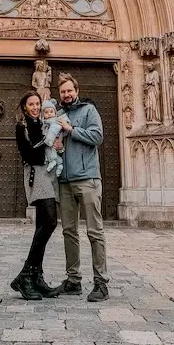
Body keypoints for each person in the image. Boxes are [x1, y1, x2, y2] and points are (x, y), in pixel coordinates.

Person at [51, 73, 109, 302]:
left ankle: (101, 283)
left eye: (69, 91)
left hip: (87, 178)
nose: (66, 95)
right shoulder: (57, 114)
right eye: (63, 91)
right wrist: (55, 143)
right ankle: (73, 280)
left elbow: (97, 136)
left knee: (94, 231)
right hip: (65, 181)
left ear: (76, 90)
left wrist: (71, 129)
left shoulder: (89, 111)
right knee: (68, 232)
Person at [11, 90, 60, 301]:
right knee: (49, 223)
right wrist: (46, 146)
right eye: (31, 104)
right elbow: (31, 155)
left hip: (47, 176)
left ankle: (35, 277)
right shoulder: (22, 127)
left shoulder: (42, 125)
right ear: (24, 107)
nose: (35, 107)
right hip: (36, 177)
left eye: (38, 104)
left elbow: (50, 146)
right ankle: (25, 274)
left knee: (43, 223)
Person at [35, 99, 70, 177]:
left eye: (51, 112)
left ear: (55, 112)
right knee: (51, 152)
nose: (49, 114)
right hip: (52, 142)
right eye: (46, 112)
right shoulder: (44, 122)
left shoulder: (56, 120)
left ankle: (53, 162)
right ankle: (59, 164)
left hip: (53, 140)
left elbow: (63, 129)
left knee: (49, 150)